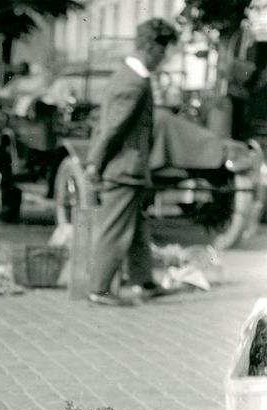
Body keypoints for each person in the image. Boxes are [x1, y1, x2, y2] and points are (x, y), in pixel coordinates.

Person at [85, 19, 179, 306]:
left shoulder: (126, 76)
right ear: (151, 48)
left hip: (127, 168)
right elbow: (112, 129)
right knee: (114, 229)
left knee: (137, 229)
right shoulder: (134, 83)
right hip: (124, 169)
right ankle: (98, 290)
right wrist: (94, 163)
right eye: (163, 53)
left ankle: (144, 283)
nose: (164, 59)